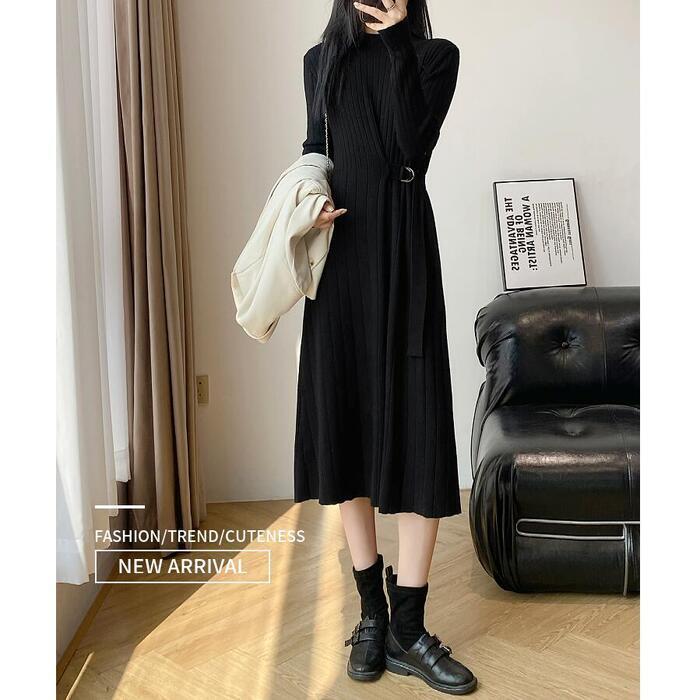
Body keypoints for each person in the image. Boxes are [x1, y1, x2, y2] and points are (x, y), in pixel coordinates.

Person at [294, 0, 477, 693]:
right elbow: (314, 149)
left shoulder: (434, 57)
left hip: (404, 256)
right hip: (341, 261)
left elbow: (411, 145)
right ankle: (372, 615)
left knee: (419, 426)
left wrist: (399, 40)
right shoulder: (320, 62)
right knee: (348, 429)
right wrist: (311, 197)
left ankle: (409, 626)